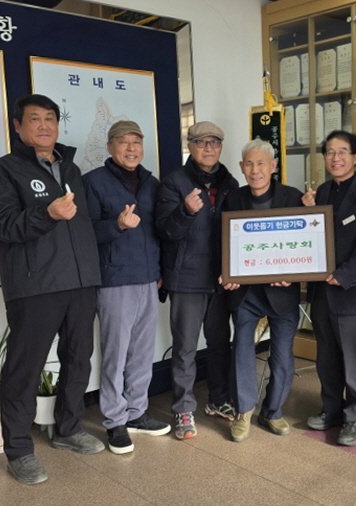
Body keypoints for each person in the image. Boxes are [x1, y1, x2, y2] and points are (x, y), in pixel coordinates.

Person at [0, 94, 104, 485]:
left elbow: (82, 228)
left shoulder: (70, 168)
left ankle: (68, 429)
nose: (44, 125)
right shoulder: (4, 171)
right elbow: (5, 227)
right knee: (25, 367)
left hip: (81, 283)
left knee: (78, 358)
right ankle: (19, 450)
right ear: (18, 126)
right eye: (34, 119)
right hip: (35, 285)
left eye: (50, 118)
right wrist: (47, 213)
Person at [83, 121, 170, 454]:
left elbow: (158, 233)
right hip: (114, 280)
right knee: (115, 354)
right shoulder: (94, 182)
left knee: (142, 354)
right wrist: (117, 225)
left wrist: (159, 271)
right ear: (110, 147)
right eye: (124, 142)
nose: (131, 148)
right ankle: (114, 421)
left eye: (137, 142)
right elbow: (85, 233)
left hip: (148, 278)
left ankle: (137, 413)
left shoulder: (151, 183)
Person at [302, 130, 356, 446]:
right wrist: (307, 210)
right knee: (326, 358)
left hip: (350, 292)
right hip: (321, 292)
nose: (335, 158)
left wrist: (344, 274)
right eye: (330, 152)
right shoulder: (322, 192)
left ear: (355, 157)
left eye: (342, 152)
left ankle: (355, 417)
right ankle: (331, 409)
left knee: (353, 360)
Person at [155, 121, 239, 439]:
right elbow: (164, 230)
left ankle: (218, 399)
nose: (208, 148)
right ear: (190, 146)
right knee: (185, 348)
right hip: (187, 278)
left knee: (219, 344)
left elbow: (238, 230)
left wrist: (235, 270)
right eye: (201, 142)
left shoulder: (230, 182)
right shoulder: (174, 182)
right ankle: (183, 409)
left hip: (220, 278)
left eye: (214, 142)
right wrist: (186, 211)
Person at [221, 139, 303, 442]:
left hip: (282, 292)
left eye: (261, 164)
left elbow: (305, 240)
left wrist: (293, 274)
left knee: (282, 356)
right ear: (241, 167)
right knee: (242, 350)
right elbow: (223, 239)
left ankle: (273, 411)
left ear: (273, 166)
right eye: (249, 164)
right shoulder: (233, 198)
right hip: (246, 293)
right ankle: (243, 411)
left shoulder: (292, 197)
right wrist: (226, 272)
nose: (255, 170)